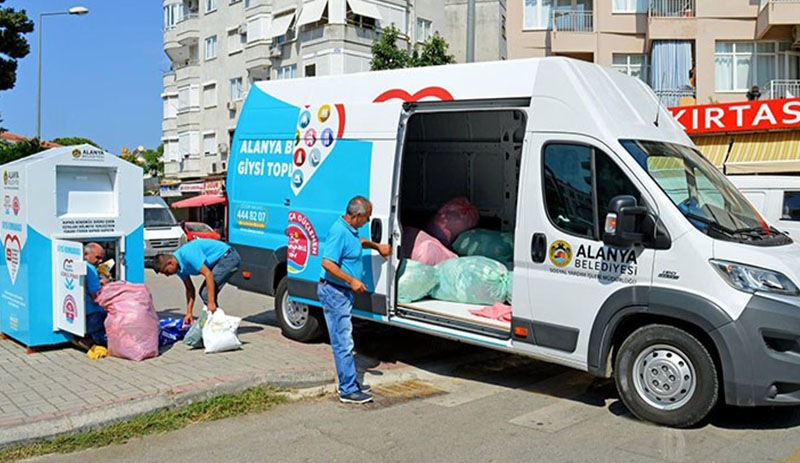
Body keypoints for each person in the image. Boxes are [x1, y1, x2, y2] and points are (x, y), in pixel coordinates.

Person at [319, 196, 391, 404]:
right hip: (335, 292)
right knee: (343, 342)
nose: (368, 222)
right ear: (357, 216)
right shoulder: (339, 231)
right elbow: (327, 263)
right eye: (367, 218)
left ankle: (350, 382)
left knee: (345, 339)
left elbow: (357, 242)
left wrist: (376, 246)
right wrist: (351, 280)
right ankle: (348, 390)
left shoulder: (349, 230)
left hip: (341, 293)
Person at [154, 239, 241, 326]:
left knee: (206, 294)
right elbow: (190, 289)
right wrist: (189, 313)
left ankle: (219, 325)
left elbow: (208, 274)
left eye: (166, 272)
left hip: (228, 257)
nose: (167, 275)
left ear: (170, 263)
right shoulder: (179, 269)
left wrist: (211, 303)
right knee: (206, 294)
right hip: (218, 261)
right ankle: (217, 325)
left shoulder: (187, 254)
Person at [71, 242, 107, 350]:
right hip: (93, 315)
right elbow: (95, 297)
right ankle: (92, 340)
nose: (100, 261)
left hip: (80, 315)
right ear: (86, 254)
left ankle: (82, 338)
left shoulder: (80, 265)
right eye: (98, 257)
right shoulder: (90, 269)